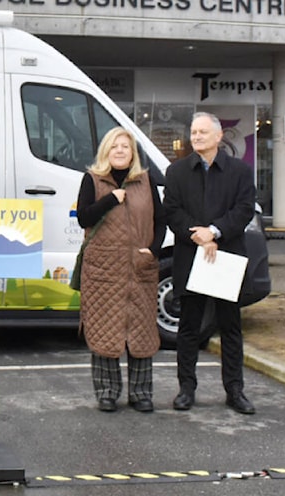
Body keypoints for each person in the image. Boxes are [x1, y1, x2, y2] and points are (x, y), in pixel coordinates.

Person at [164, 112, 257, 415]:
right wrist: (200, 237)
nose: (197, 136)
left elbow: (243, 210)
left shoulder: (240, 172)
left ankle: (235, 390)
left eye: (203, 132)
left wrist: (215, 232)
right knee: (189, 327)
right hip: (191, 257)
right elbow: (172, 212)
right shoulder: (176, 172)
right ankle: (186, 389)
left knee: (230, 327)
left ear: (219, 137)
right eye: (194, 131)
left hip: (225, 258)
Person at [76, 127, 166, 413]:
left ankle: (141, 394)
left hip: (140, 267)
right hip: (103, 269)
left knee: (141, 331)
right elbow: (83, 217)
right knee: (105, 330)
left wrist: (152, 250)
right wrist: (110, 199)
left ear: (132, 153)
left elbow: (161, 221)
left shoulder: (146, 181)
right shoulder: (92, 179)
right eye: (114, 146)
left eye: (125, 147)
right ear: (106, 151)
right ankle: (106, 392)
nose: (119, 151)